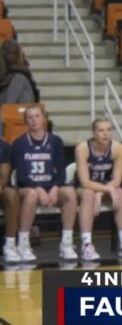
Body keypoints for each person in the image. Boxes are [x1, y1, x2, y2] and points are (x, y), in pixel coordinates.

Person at [10, 104, 77, 262]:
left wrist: (54, 188)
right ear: (25, 121)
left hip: (49, 187)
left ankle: (66, 243)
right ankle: (23, 244)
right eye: (30, 117)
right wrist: (38, 188)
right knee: (32, 194)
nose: (34, 120)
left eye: (37, 116)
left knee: (69, 192)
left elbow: (61, 172)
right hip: (27, 188)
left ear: (44, 118)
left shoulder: (55, 141)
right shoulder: (19, 143)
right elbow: (20, 176)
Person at [74, 118, 122, 261]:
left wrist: (102, 193)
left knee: (120, 193)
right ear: (93, 133)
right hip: (84, 188)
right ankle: (86, 244)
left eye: (108, 130)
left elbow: (117, 179)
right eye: (101, 130)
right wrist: (104, 191)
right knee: (89, 194)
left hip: (106, 187)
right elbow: (85, 182)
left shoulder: (119, 148)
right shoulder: (82, 148)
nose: (105, 134)